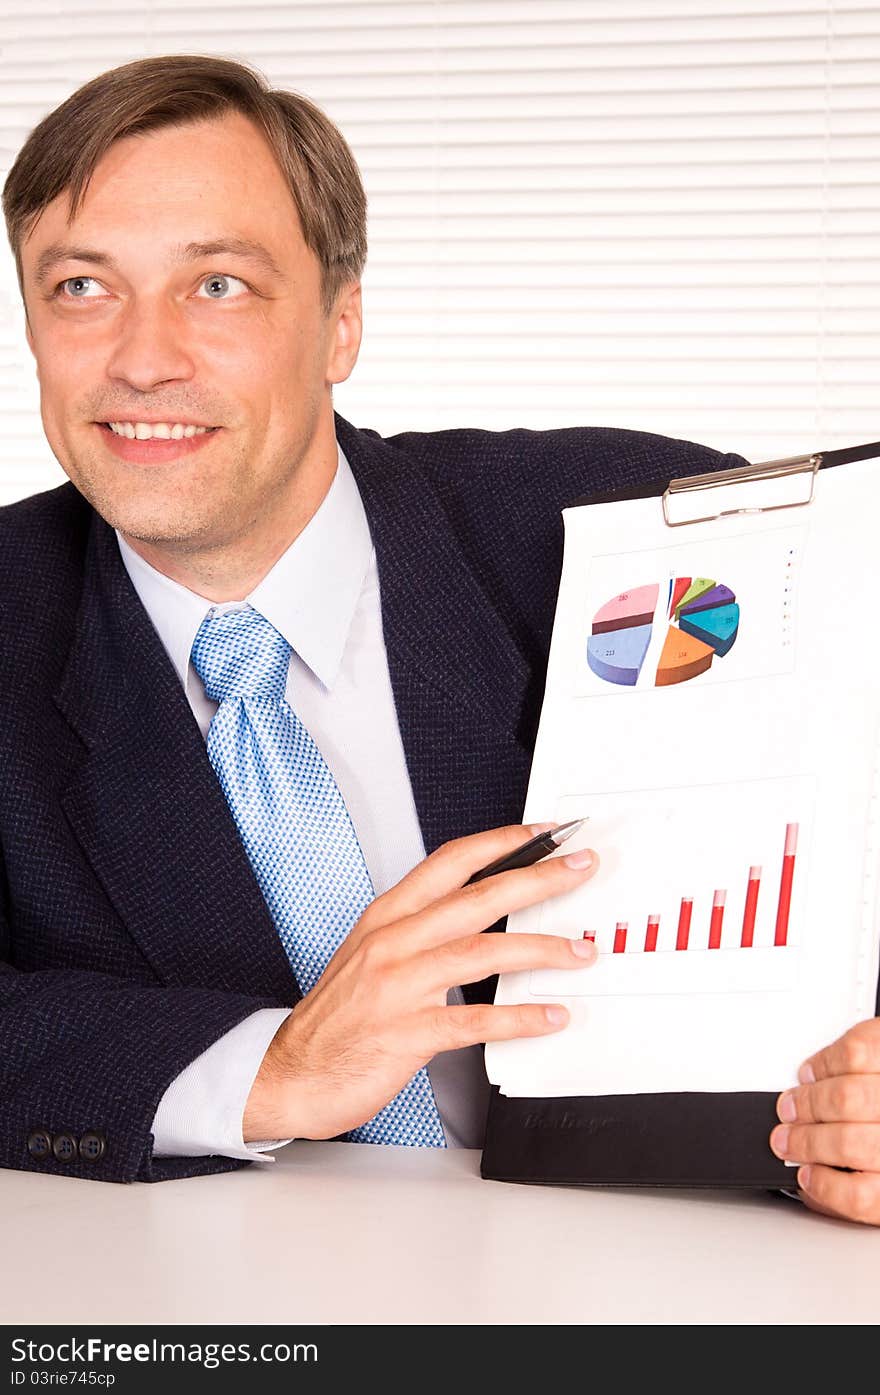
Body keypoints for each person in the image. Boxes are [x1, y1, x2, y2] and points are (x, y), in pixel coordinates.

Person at [1, 55, 877, 1224]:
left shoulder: (632, 530)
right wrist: (269, 1066)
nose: (143, 358)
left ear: (340, 324)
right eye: (80, 288)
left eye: (217, 285)